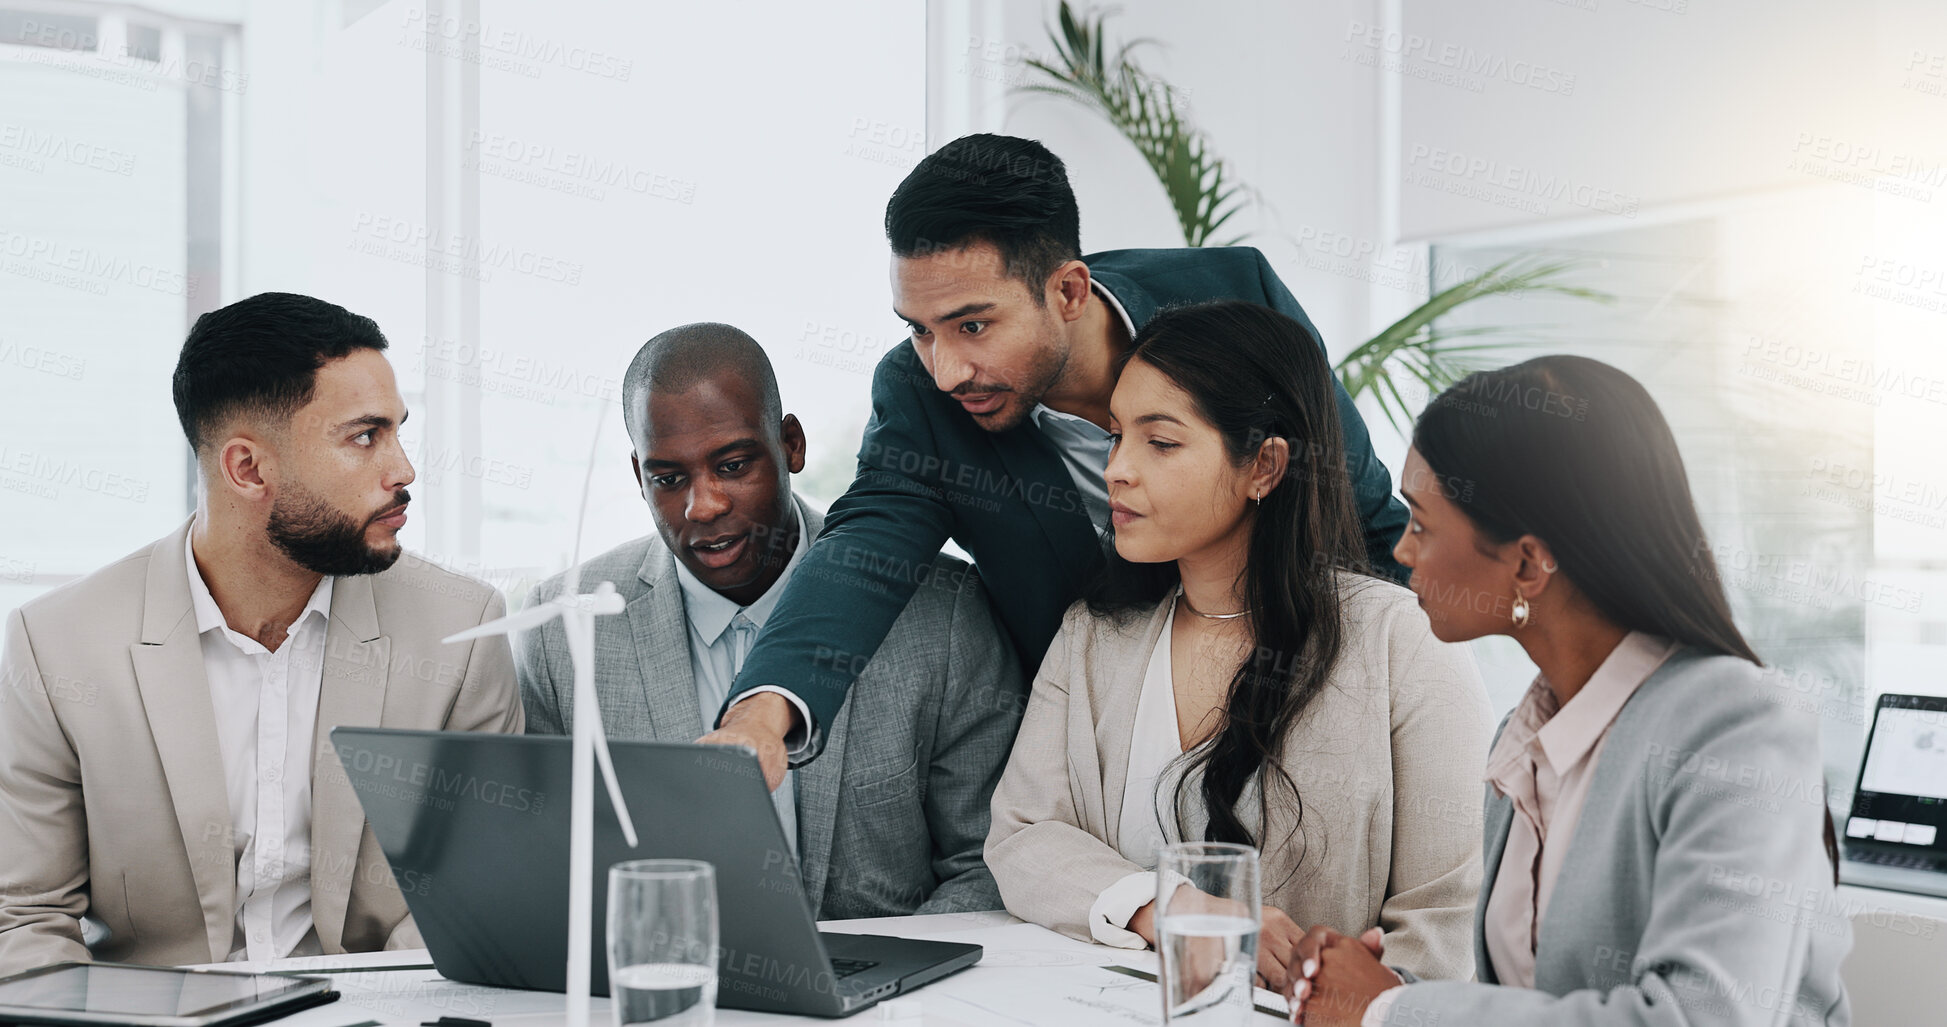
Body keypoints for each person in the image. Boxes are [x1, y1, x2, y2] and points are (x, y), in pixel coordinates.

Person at [708, 133, 1414, 789]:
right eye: (920, 330)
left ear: (1068, 291)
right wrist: (762, 713)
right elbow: (865, 545)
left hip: (1305, 728)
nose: (947, 368)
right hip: (1098, 771)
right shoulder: (919, 393)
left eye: (973, 325)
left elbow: (1359, 522)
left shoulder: (1236, 298)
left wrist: (1409, 710)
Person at [1286, 355, 1851, 1026]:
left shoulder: (1738, 724)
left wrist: (1390, 1008)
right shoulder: (1524, 738)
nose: (1402, 550)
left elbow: (1702, 1016)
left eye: (1422, 523)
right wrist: (1365, 981)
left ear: (1526, 562)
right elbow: (1546, 1001)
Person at [0, 293, 524, 975]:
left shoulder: (464, 628)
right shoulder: (57, 644)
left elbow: (475, 892)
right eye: (365, 436)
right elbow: (23, 917)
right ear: (248, 468)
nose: (402, 470)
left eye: (398, 430)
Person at [983, 301, 1491, 993]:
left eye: (1160, 443)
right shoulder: (1093, 635)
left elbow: (1448, 926)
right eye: (1115, 436)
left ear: (1265, 465)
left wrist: (1339, 993)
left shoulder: (1402, 642)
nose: (1117, 470)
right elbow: (1022, 835)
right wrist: (1170, 907)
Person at [516, 323, 1022, 918]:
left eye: (732, 466)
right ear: (639, 477)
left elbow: (987, 863)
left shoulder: (944, 613)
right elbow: (548, 868)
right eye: (668, 479)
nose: (702, 506)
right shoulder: (562, 634)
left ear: (791, 446)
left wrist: (881, 989)